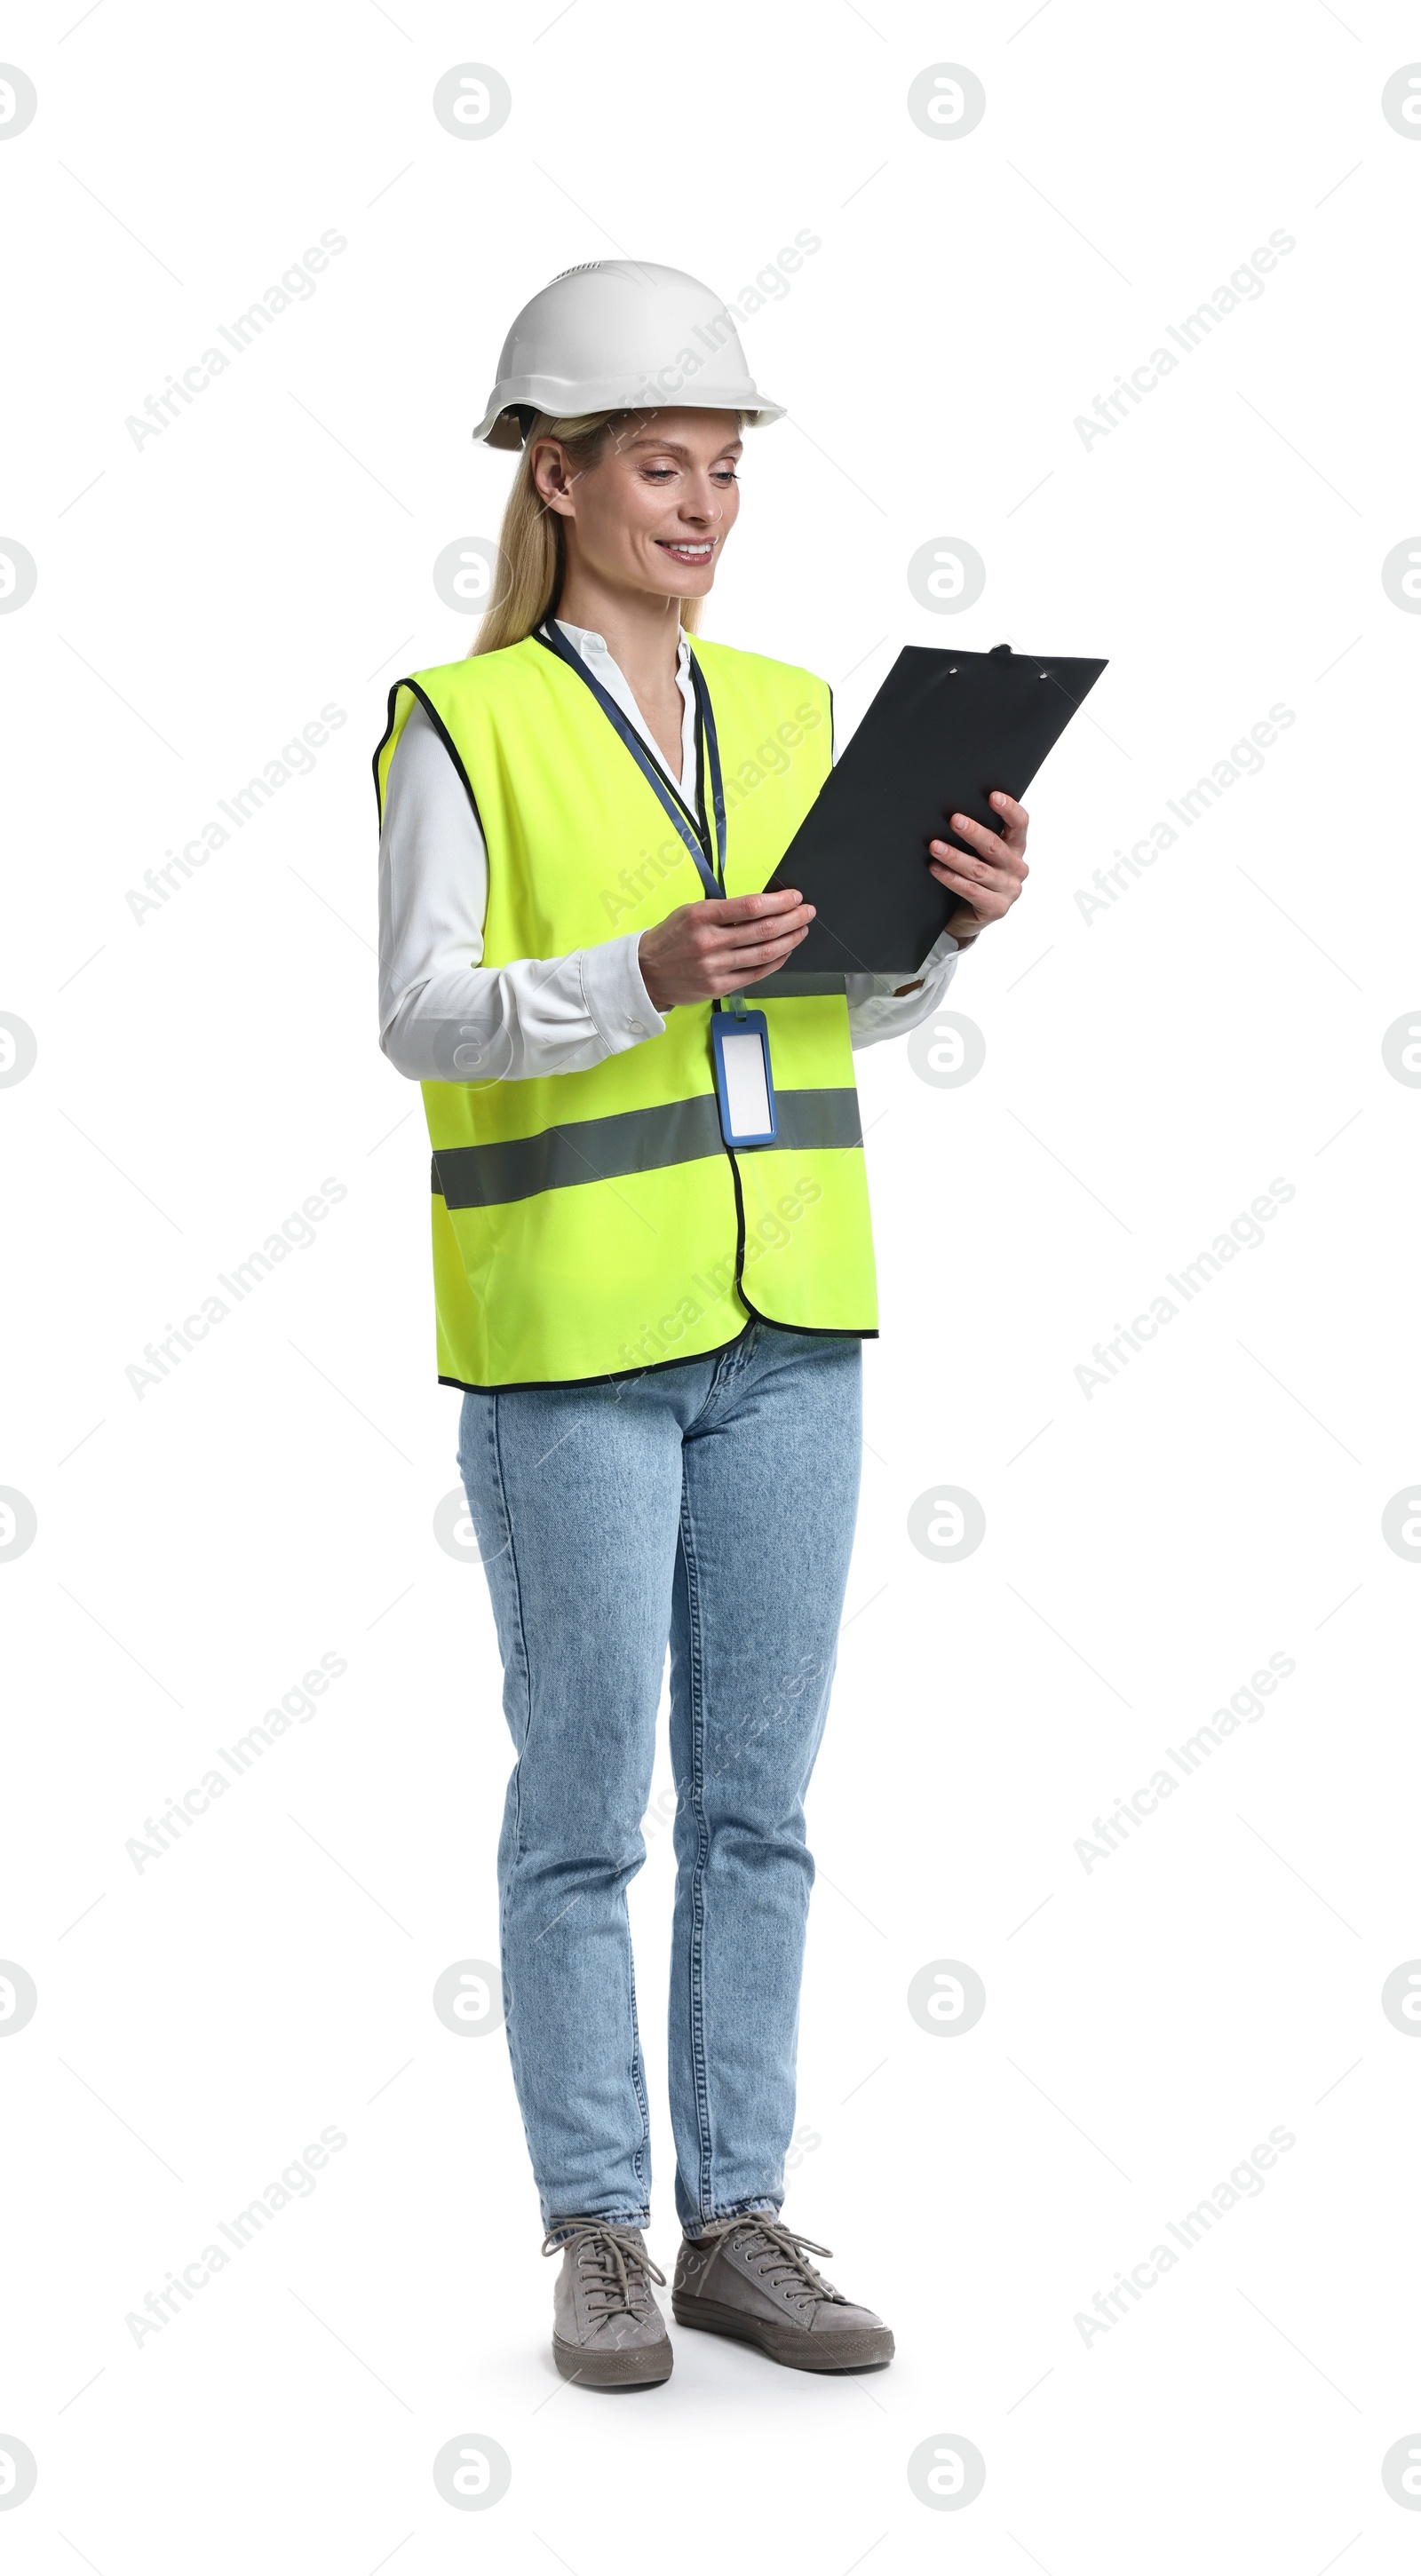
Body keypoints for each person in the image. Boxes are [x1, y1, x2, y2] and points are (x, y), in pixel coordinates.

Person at [375, 261, 1028, 2388]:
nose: (702, 505)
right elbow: (418, 1015)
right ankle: (596, 2230)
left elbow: (837, 991)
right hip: (572, 1333)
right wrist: (640, 973)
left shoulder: (787, 710)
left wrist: (944, 928)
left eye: (724, 470)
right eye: (661, 466)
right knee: (585, 1805)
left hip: (785, 1324)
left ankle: (735, 2214)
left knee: (763, 1803)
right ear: (555, 479)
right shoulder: (457, 721)